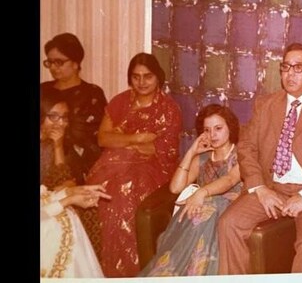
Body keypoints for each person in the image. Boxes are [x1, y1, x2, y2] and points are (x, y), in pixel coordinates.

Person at [218, 42, 302, 274]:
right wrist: (260, 188)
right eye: (286, 67)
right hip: (272, 187)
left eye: (299, 67)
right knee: (229, 224)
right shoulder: (265, 105)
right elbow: (246, 147)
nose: (290, 73)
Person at [85, 52, 182, 277]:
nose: (142, 82)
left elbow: (163, 151)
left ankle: (130, 271)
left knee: (122, 195)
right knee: (100, 193)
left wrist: (122, 140)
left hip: (154, 169)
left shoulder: (169, 109)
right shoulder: (120, 101)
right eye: (136, 77)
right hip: (114, 166)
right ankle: (98, 268)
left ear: (158, 77)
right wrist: (137, 139)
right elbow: (103, 139)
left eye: (147, 76)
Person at [139, 104, 243, 277]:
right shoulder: (201, 159)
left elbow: (230, 179)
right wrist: (192, 151)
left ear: (230, 128)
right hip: (200, 215)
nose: (212, 135)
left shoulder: (241, 155)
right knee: (203, 209)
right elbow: (175, 187)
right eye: (207, 130)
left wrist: (201, 193)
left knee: (210, 205)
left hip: (229, 213)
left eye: (218, 128)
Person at [40, 94, 111, 278]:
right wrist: (69, 195)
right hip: (45, 208)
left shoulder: (58, 141)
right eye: (53, 116)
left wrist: (57, 146)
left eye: (64, 117)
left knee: (89, 213)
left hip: (49, 200)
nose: (60, 123)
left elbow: (64, 180)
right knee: (66, 218)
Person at [41, 32, 107, 184]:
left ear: (76, 63)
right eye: (50, 62)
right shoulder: (43, 90)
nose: (53, 67)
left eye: (59, 62)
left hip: (79, 158)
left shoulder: (92, 93)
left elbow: (96, 136)